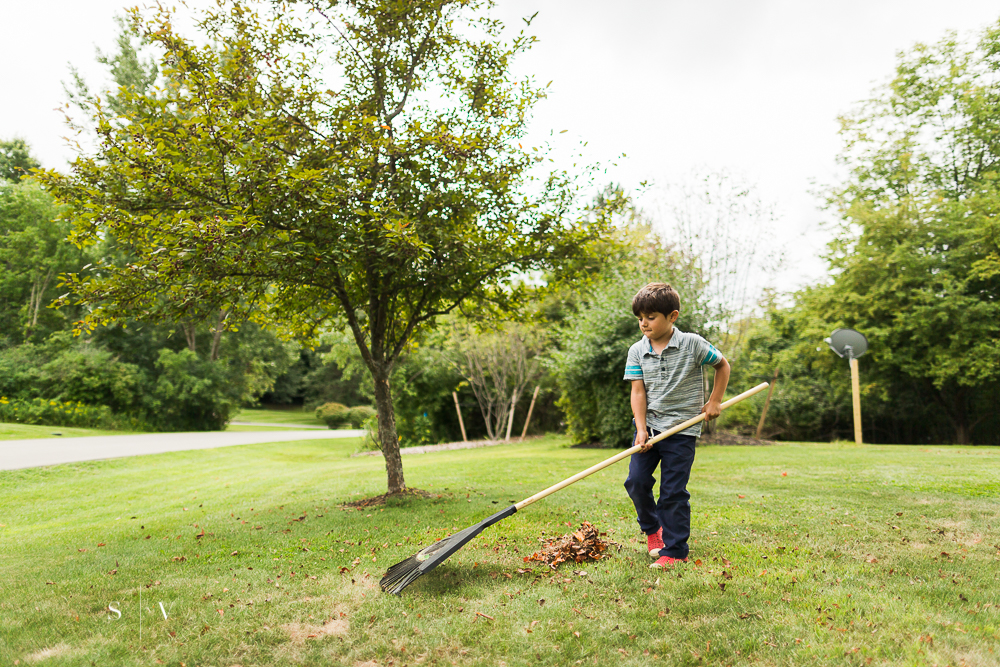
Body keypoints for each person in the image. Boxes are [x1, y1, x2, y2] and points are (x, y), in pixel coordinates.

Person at [622, 282, 730, 568]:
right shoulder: (637, 351)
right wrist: (641, 429)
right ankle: (652, 529)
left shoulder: (692, 343)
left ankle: (675, 550)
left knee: (672, 491)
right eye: (640, 318)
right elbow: (638, 391)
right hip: (650, 426)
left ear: (672, 316)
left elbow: (722, 365)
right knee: (636, 481)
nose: (644, 323)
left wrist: (715, 400)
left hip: (682, 429)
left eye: (651, 317)